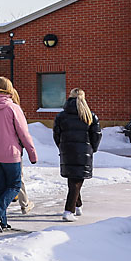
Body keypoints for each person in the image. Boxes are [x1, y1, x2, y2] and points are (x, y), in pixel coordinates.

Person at [0, 77, 38, 232]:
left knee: (0, 186)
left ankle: (1, 222)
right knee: (14, 185)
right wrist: (32, 154)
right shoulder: (13, 108)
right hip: (10, 154)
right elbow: (23, 133)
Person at [53, 88, 101, 222]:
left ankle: (78, 205)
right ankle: (69, 211)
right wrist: (92, 149)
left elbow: (56, 134)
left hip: (67, 150)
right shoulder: (89, 116)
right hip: (83, 151)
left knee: (73, 180)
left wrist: (62, 146)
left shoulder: (61, 116)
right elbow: (96, 135)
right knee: (76, 181)